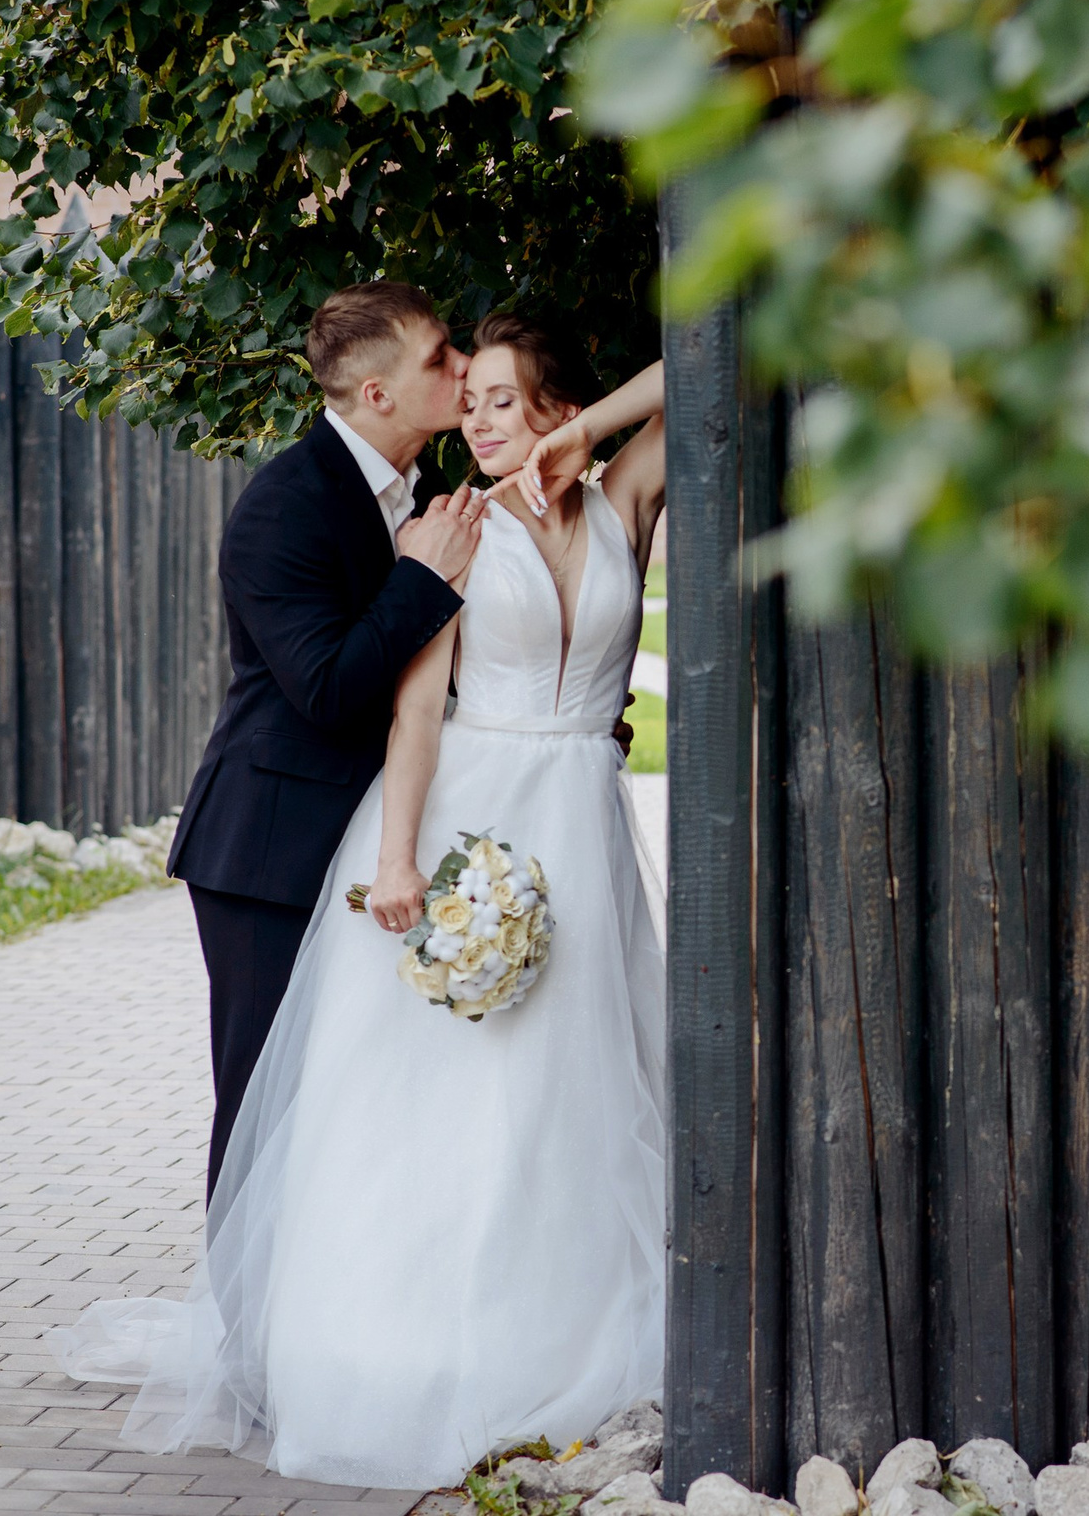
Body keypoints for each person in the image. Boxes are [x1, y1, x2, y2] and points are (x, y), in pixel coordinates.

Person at [52, 313, 672, 1489]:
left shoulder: (617, 503)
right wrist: (397, 864)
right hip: (463, 818)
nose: (477, 417)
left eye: (499, 397)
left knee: (582, 1083)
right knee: (448, 1097)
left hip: (584, 822)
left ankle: (568, 1332)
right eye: (465, 393)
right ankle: (386, 1344)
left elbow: (701, 372)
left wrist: (584, 436)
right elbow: (413, 711)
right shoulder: (451, 528)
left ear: (550, 402)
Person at [166, 280, 485, 1198]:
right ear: (378, 394)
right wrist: (422, 577)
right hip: (270, 853)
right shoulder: (284, 508)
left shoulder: (429, 492)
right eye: (440, 358)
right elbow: (331, 693)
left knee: (362, 1099)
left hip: (383, 846)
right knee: (267, 1098)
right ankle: (235, 1332)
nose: (462, 368)